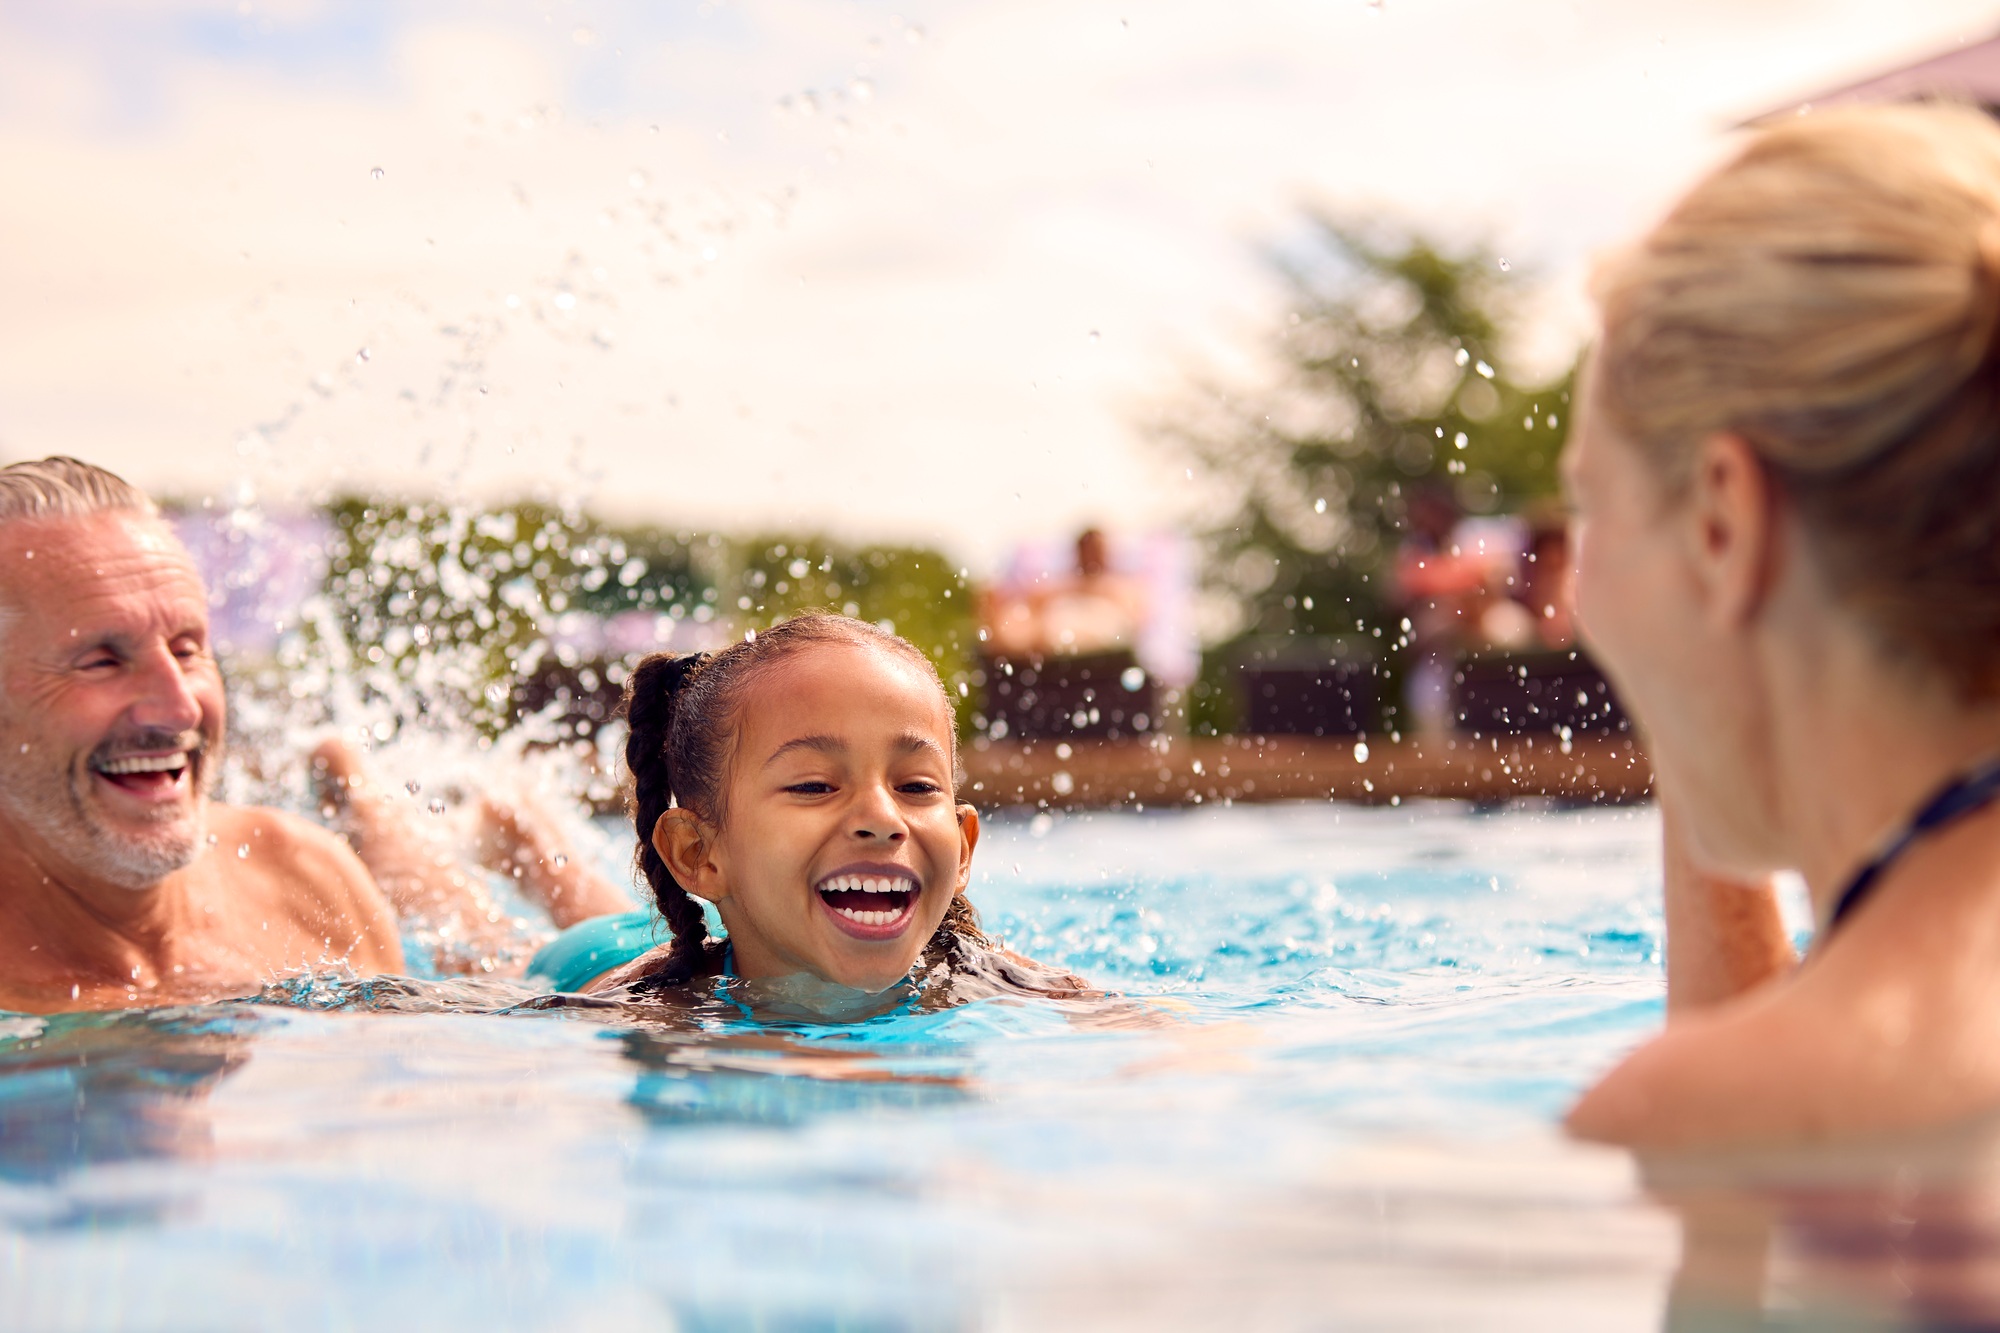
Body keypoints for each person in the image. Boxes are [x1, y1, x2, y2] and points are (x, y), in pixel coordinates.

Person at [1561, 104, 2000, 1148]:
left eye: (1591, 506)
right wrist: (1719, 695)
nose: (1579, 597)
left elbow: (1737, 1266)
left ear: (1721, 522)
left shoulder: (1755, 1101)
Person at [0, 458, 407, 1011]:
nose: (179, 707)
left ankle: (368, 788)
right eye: (101, 661)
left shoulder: (302, 875)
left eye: (187, 649)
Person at [532, 613, 1085, 1000]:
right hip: (597, 954)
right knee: (506, 933)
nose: (882, 820)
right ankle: (502, 846)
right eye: (815, 786)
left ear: (964, 848)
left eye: (916, 787)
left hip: (698, 933)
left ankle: (528, 834)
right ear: (698, 853)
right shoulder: (638, 1007)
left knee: (589, 898)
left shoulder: (1018, 989)